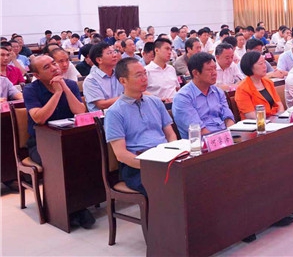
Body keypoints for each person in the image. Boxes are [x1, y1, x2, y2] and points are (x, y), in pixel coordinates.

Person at [23, 55, 93, 228]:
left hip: (68, 139)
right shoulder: (31, 90)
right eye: (47, 67)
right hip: (41, 143)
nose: (54, 68)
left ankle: (82, 202)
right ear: (37, 75)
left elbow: (80, 112)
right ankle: (73, 209)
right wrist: (57, 93)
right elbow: (39, 118)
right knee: (62, 163)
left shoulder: (69, 84)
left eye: (53, 63)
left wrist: (64, 88)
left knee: (89, 156)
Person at [104, 58, 178, 197]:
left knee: (193, 176)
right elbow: (121, 154)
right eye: (139, 75)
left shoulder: (155, 102)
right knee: (172, 185)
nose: (144, 78)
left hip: (165, 158)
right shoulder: (115, 112)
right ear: (123, 81)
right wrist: (151, 165)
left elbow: (170, 135)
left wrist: (174, 154)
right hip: (137, 167)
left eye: (145, 73)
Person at [172, 52, 235, 138]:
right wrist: (222, 139)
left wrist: (231, 135)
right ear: (195, 73)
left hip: (224, 137)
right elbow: (199, 131)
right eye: (209, 70)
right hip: (201, 142)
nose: (214, 73)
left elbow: (228, 118)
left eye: (215, 68)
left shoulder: (218, 92)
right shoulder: (183, 97)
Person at [234, 51, 285, 119]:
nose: (265, 66)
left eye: (264, 63)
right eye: (261, 64)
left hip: (275, 119)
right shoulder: (242, 89)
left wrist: (281, 118)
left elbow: (279, 105)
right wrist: (270, 122)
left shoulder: (268, 82)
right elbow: (250, 115)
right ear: (250, 67)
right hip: (257, 123)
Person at [83, 42, 123, 112]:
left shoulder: (121, 73)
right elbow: (102, 104)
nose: (114, 55)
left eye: (114, 52)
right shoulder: (91, 80)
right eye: (109, 53)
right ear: (99, 60)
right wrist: (128, 97)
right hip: (103, 117)